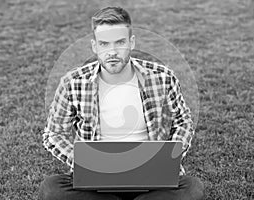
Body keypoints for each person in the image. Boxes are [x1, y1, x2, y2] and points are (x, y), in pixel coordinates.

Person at [39, 6, 204, 200]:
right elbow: (53, 133)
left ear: (131, 42)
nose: (112, 52)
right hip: (96, 179)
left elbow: (182, 121)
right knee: (51, 189)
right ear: (94, 46)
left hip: (151, 177)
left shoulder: (162, 76)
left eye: (119, 43)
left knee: (193, 188)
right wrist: (82, 162)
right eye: (104, 44)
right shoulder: (73, 82)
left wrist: (169, 158)